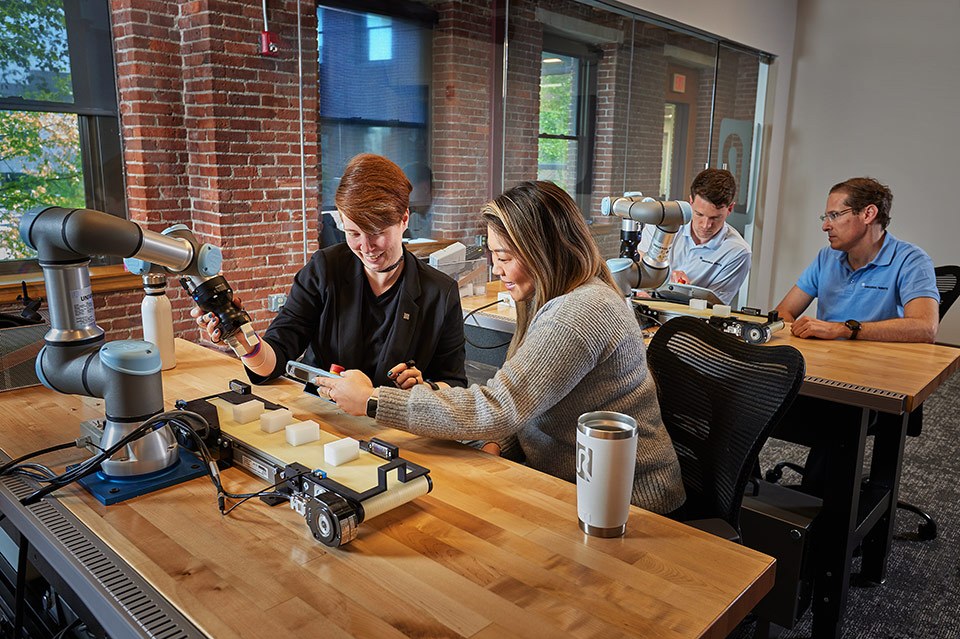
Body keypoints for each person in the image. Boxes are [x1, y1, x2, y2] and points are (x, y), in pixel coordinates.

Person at [316, 180, 686, 515]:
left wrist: (374, 401)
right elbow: (527, 402)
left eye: (504, 257)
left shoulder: (579, 312)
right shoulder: (545, 298)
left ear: (542, 252)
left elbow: (501, 406)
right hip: (569, 483)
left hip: (632, 505)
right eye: (493, 255)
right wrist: (499, 444)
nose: (495, 270)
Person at [194, 153, 467, 391]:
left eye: (377, 233)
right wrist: (242, 339)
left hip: (398, 432)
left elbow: (454, 383)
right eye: (353, 233)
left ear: (404, 219)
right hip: (325, 422)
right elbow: (274, 358)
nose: (366, 247)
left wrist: (423, 389)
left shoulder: (439, 293)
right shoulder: (325, 270)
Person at [775, 177, 939, 343]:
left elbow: (925, 329)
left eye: (834, 215)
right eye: (825, 217)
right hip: (826, 360)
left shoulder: (911, 260)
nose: (825, 226)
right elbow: (783, 312)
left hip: (877, 364)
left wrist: (843, 329)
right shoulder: (826, 257)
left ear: (868, 214)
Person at [639, 168, 751, 305]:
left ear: (730, 209)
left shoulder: (737, 252)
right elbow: (641, 264)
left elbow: (714, 307)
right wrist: (666, 276)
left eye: (715, 218)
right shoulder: (663, 222)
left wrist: (682, 291)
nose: (706, 225)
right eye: (699, 214)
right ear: (690, 202)